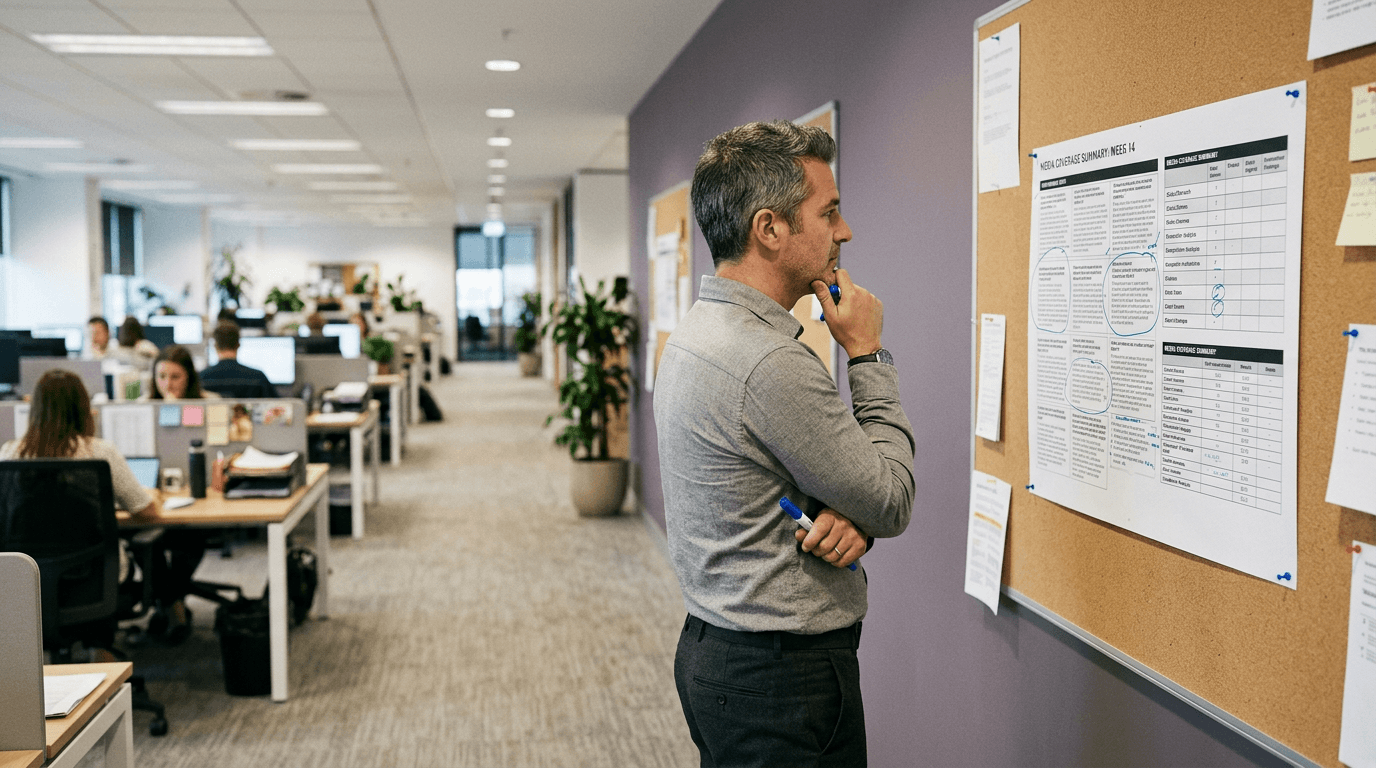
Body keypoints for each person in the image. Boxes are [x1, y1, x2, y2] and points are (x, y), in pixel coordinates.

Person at [654, 121, 915, 766]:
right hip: (780, 681)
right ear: (769, 229)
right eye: (828, 212)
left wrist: (849, 515)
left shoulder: (696, 333)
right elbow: (891, 497)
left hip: (719, 655)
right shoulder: (768, 361)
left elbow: (780, 482)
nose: (844, 231)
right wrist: (866, 352)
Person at [200, 322, 277, 398]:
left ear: (215, 346)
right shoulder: (258, 377)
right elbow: (277, 405)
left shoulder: (201, 378)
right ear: (238, 345)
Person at [146, 345, 211, 401]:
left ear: (189, 377)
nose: (168, 384)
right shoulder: (142, 405)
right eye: (162, 376)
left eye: (175, 377)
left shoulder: (210, 403)